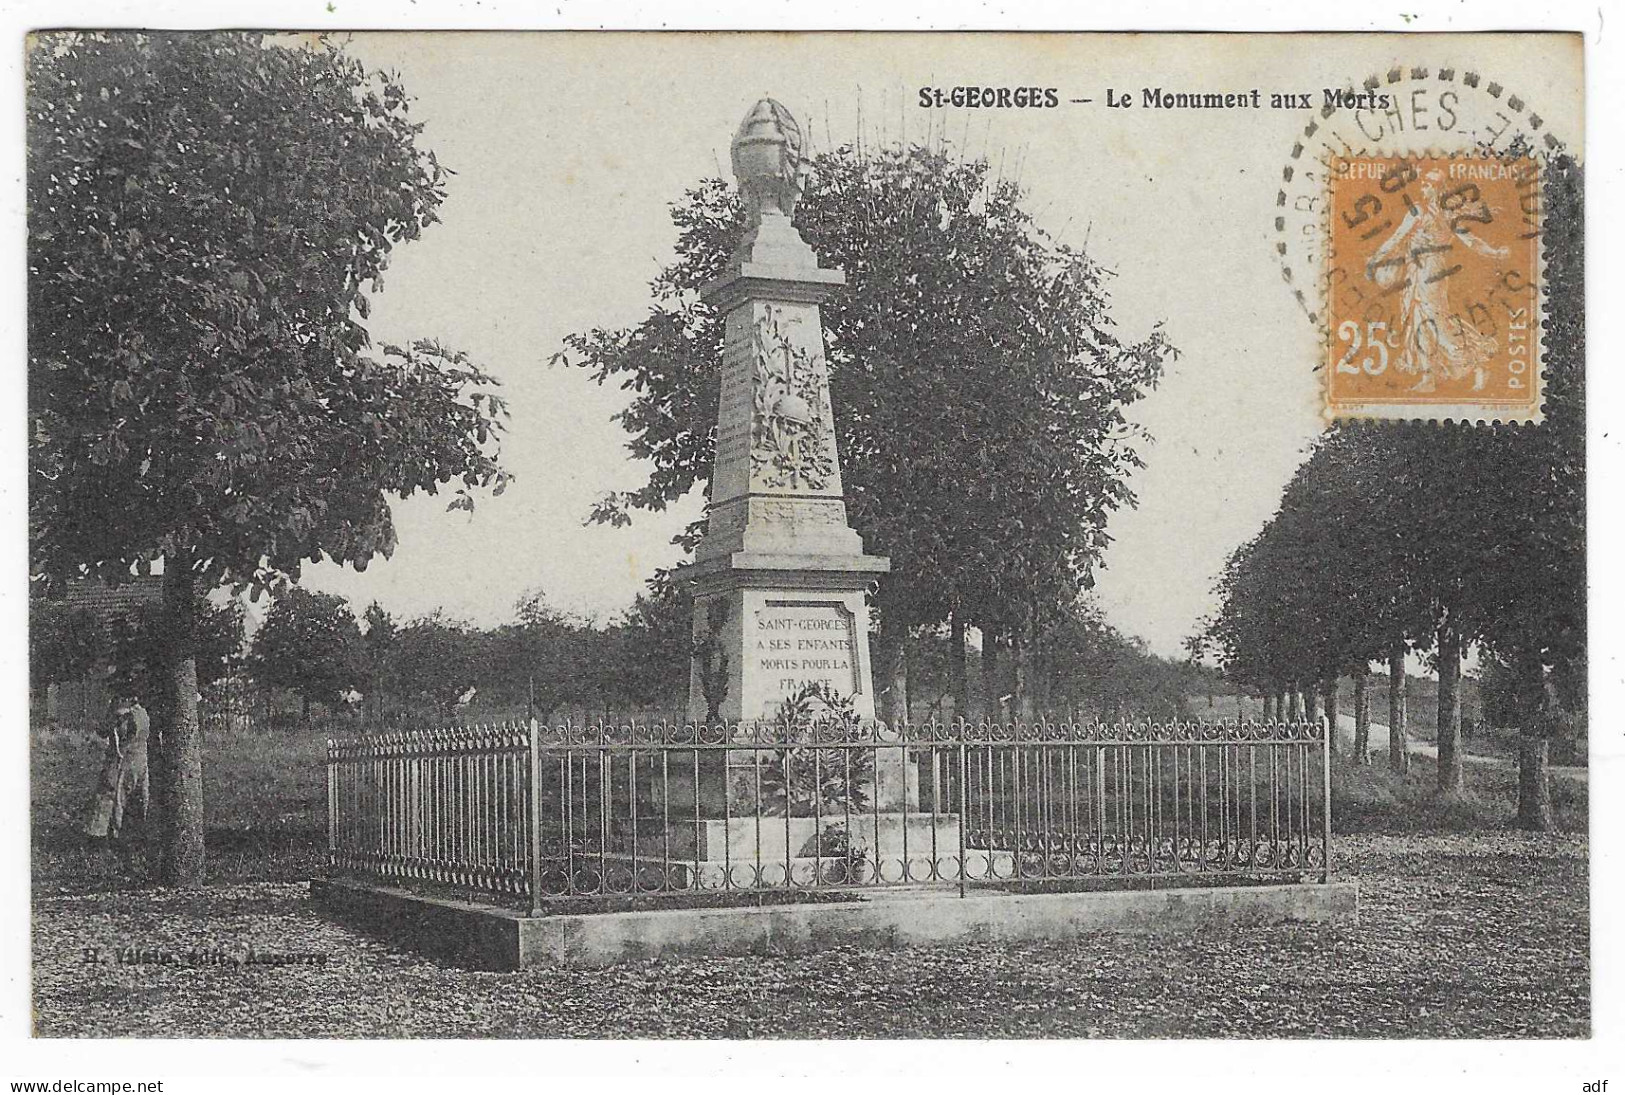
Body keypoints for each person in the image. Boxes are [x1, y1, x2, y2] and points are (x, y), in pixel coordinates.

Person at [82, 691, 151, 845]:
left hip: (126, 760)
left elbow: (106, 731)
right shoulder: (139, 712)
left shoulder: (127, 714)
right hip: (135, 759)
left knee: (116, 795)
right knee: (123, 795)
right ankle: (117, 833)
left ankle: (114, 834)